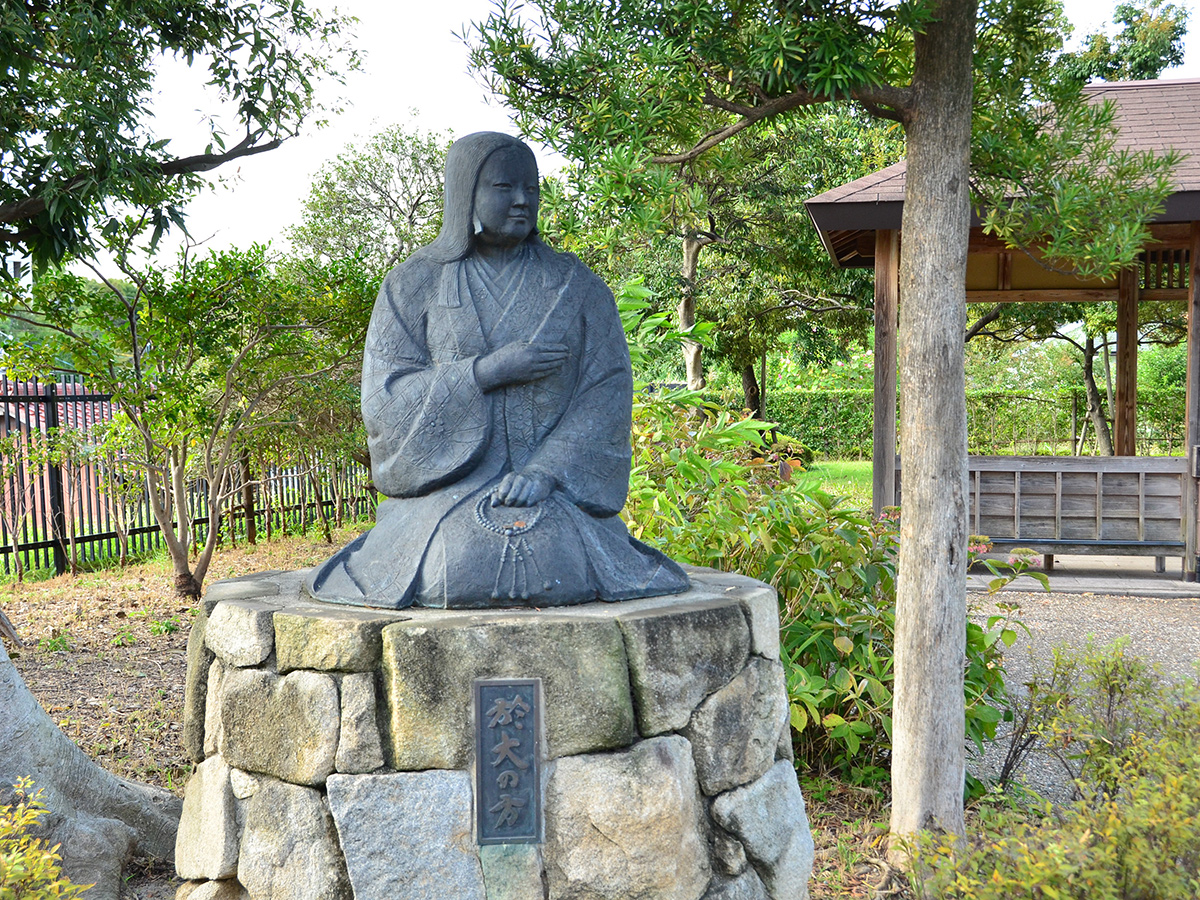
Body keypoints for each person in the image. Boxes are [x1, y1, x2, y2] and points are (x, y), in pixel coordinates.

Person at [306, 132, 689, 609]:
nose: (522, 201)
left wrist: (545, 471)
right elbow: (385, 401)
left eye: (532, 189)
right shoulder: (413, 283)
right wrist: (484, 373)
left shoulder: (575, 285)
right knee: (453, 567)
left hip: (553, 491)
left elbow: (606, 391)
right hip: (443, 497)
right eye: (505, 187)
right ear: (466, 192)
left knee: (560, 563)